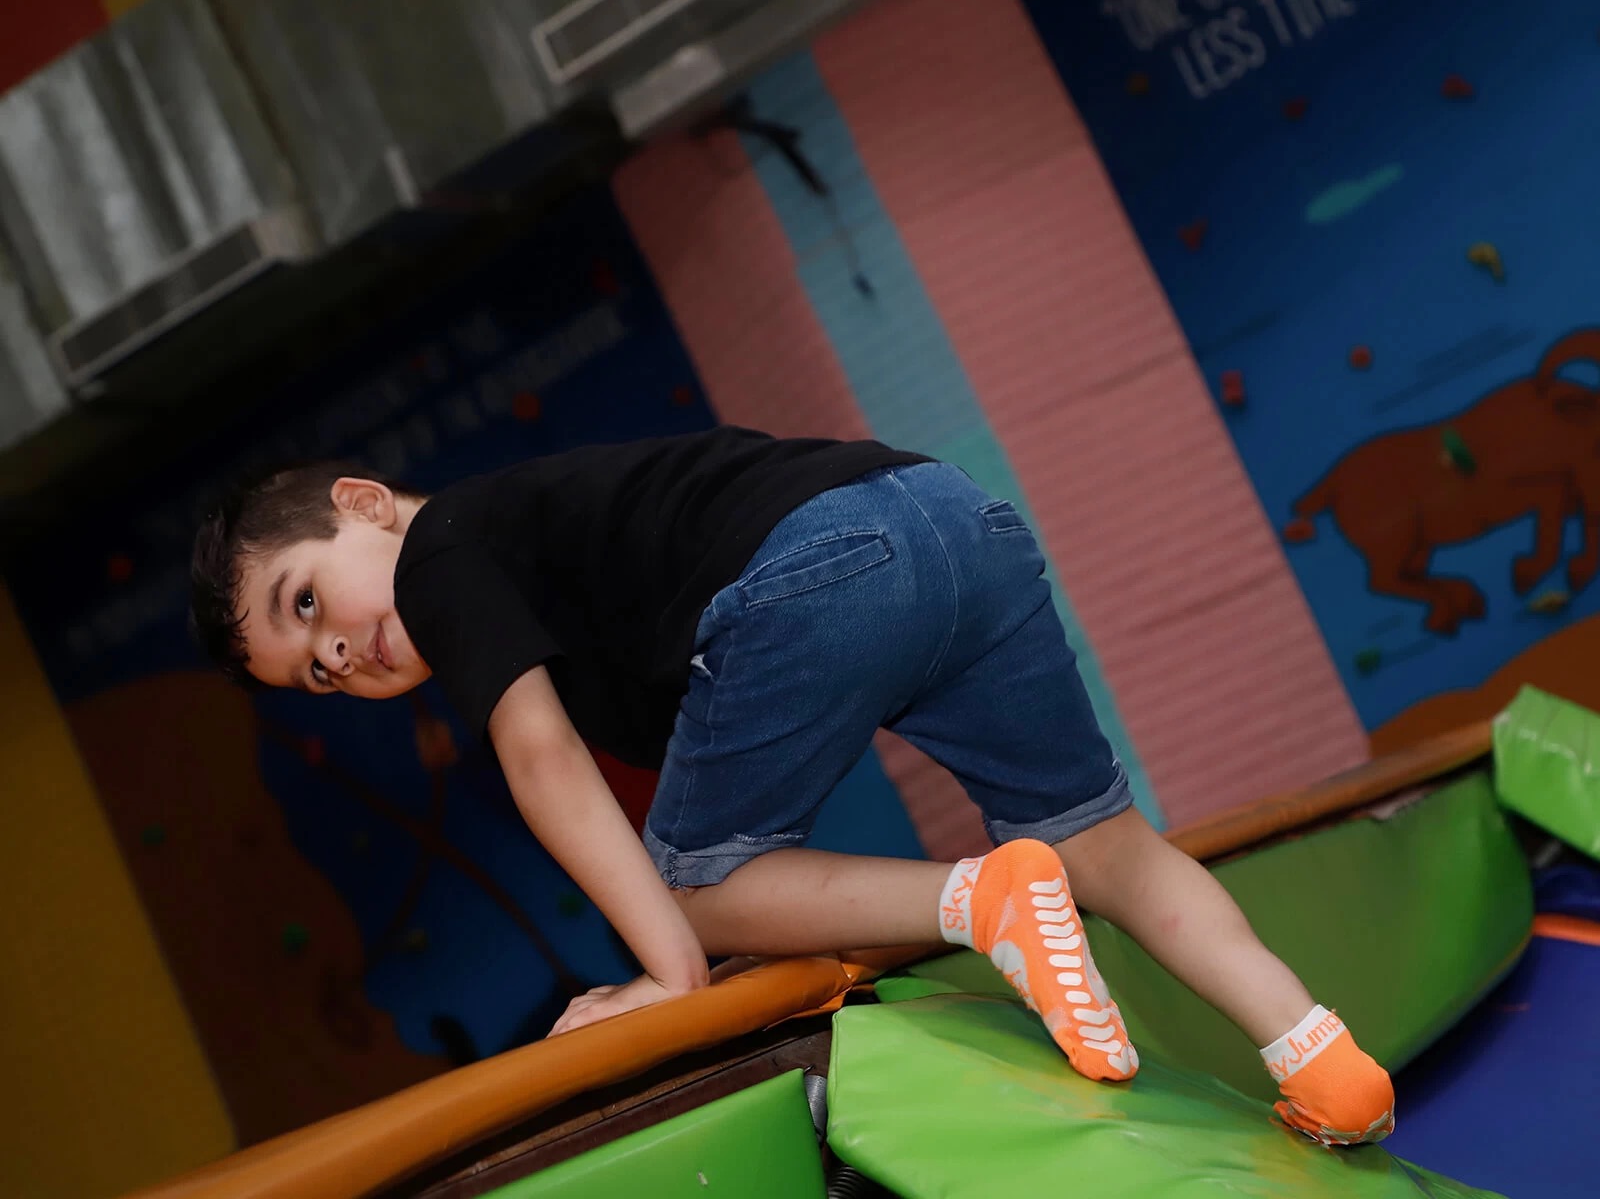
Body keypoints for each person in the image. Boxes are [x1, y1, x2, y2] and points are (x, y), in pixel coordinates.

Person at [189, 425, 1395, 1145]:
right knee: (1104, 841)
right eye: (316, 677)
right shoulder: (552, 562)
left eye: (308, 605)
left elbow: (541, 756)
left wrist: (670, 974)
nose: (341, 656)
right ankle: (1318, 1055)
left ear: (362, 506)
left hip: (816, 564)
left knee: (695, 884)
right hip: (950, 518)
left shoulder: (443, 551)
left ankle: (979, 902)